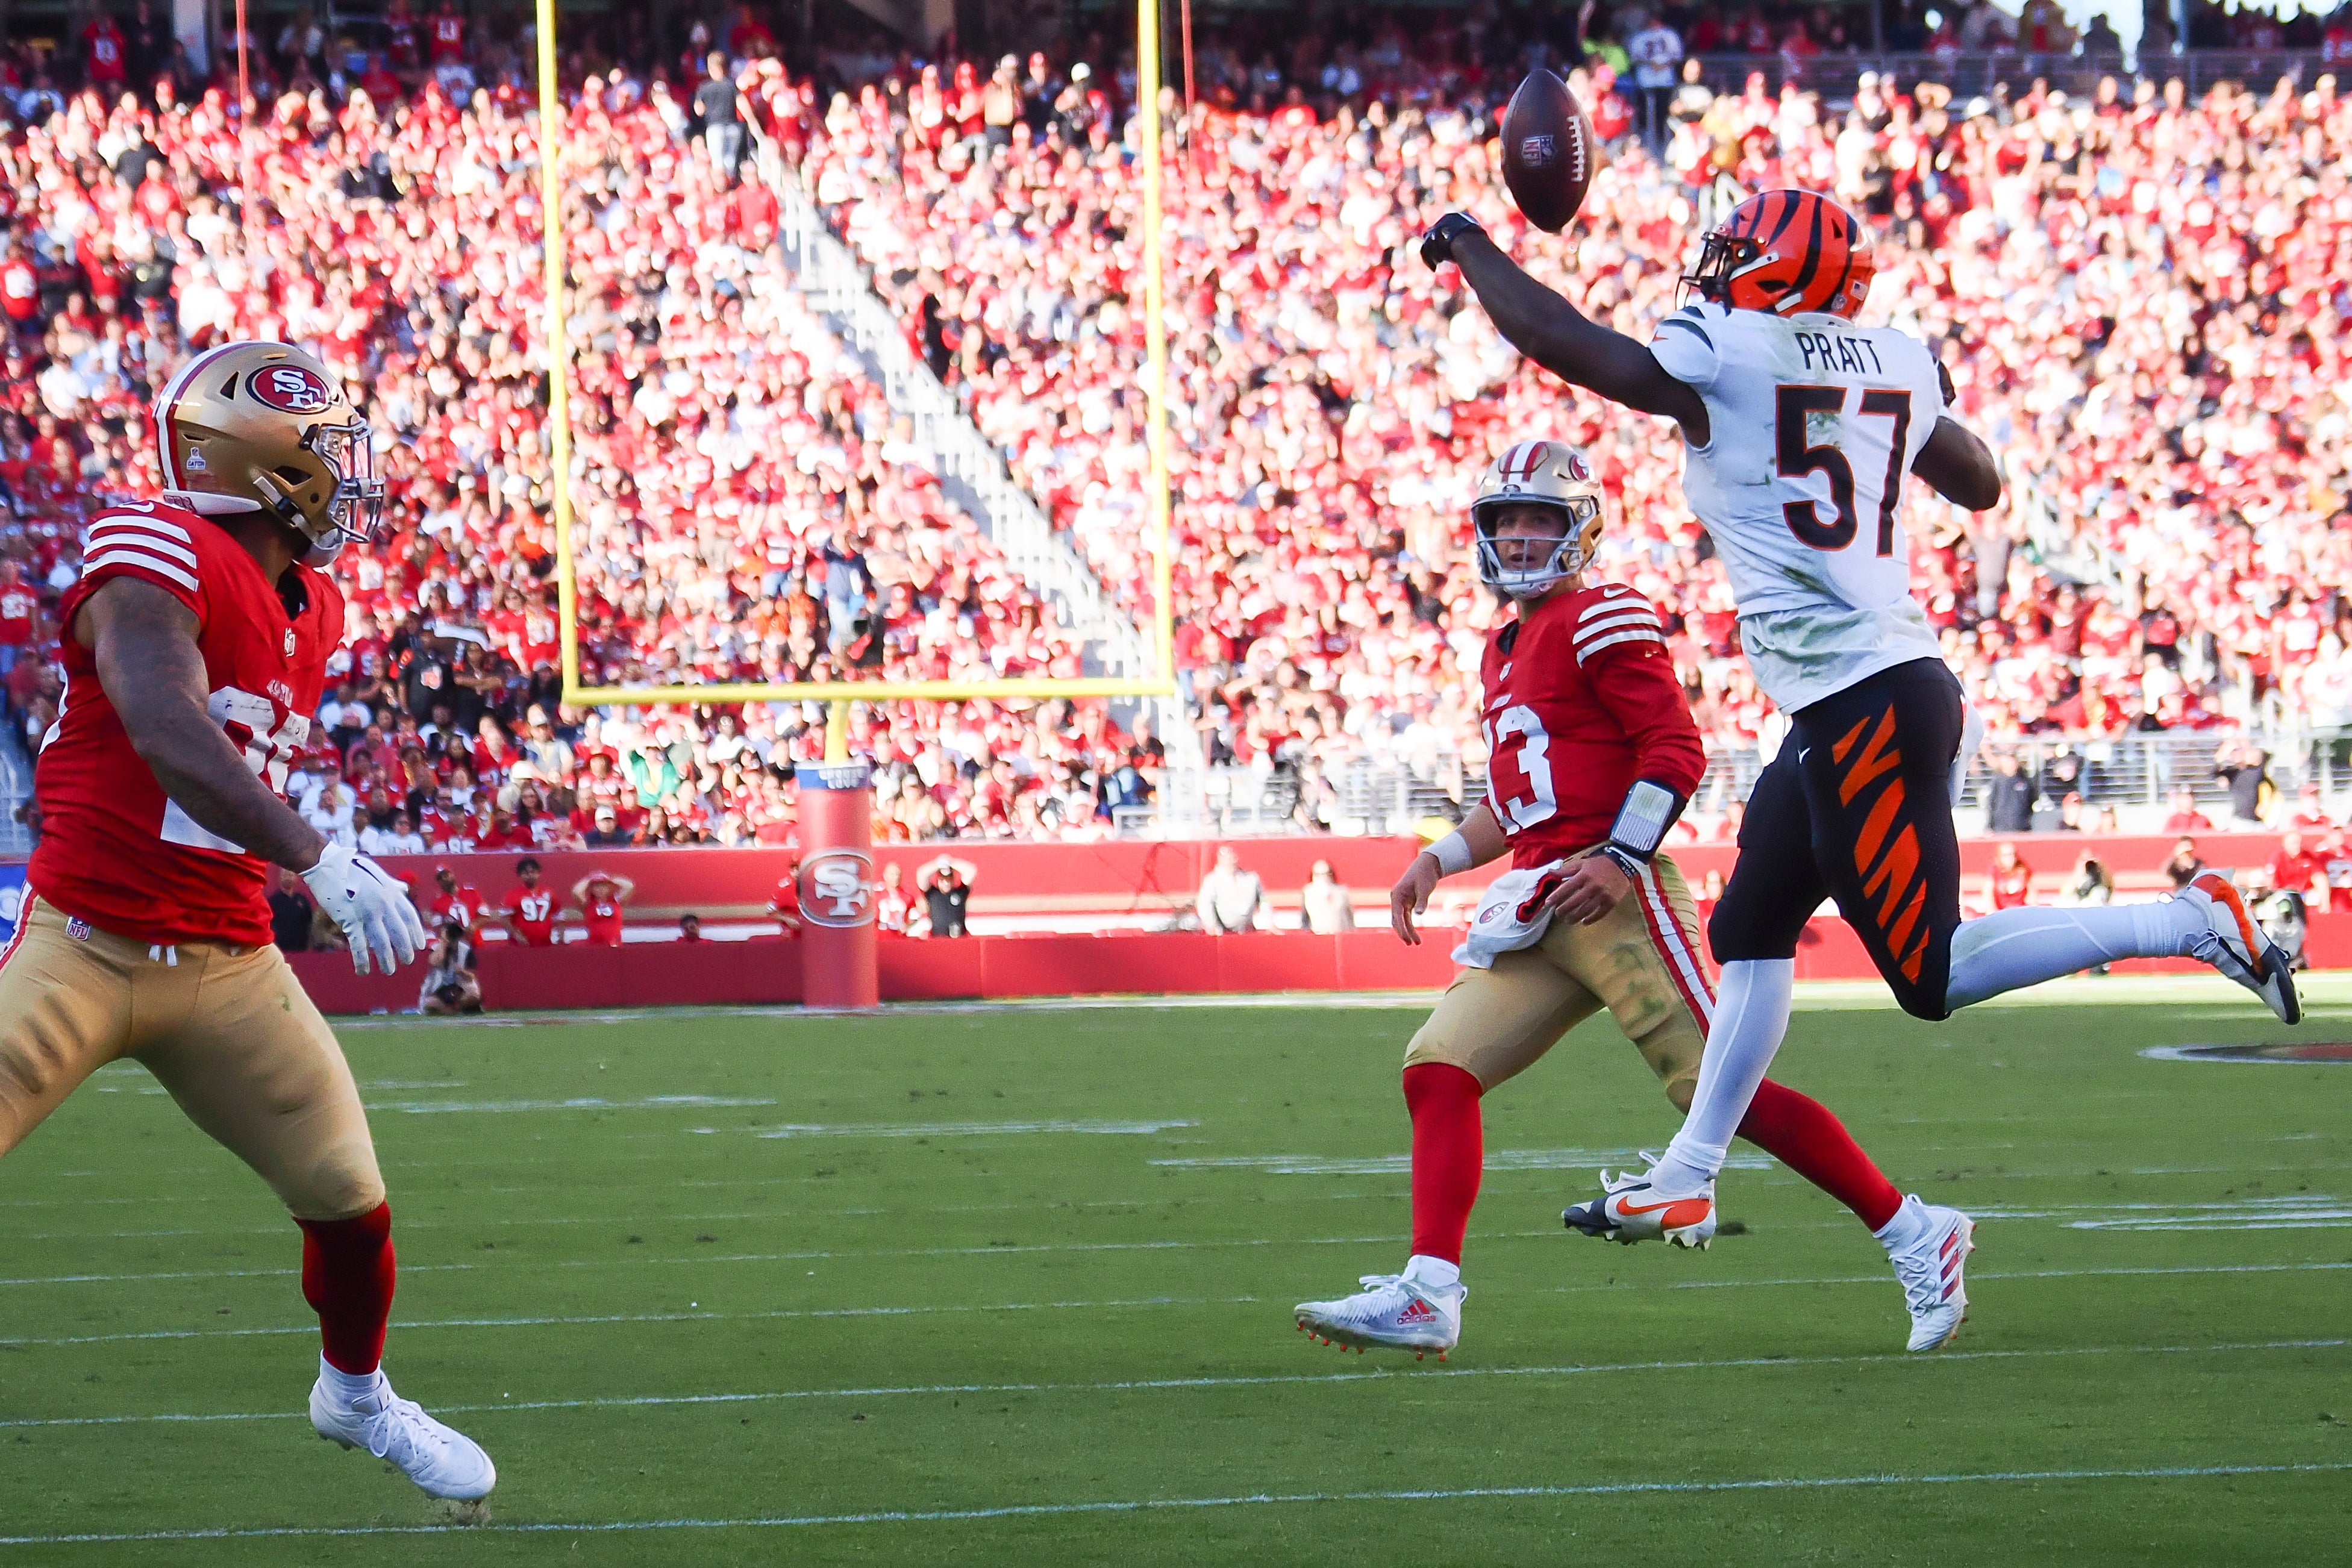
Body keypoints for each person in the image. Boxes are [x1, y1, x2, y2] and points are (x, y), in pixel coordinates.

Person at [1421, 190, 2297, 1344]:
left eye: (1739, 258)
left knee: (1930, 973)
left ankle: (2186, 917)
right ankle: (1692, 1169)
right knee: (1747, 932)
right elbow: (1978, 481)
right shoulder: (1890, 354)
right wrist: (1867, 410)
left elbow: (1567, 347)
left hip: (1866, 698)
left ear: (1780, 275)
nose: (1717, 272)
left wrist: (1467, 245)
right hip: (1853, 696)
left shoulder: (1727, 345)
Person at [1296, 438, 1944, 1358]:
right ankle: (1430, 1292)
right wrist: (1438, 857)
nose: (1520, 537)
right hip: (1538, 898)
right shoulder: (1505, 642)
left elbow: (1674, 748)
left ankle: (1913, 1228)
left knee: (1715, 1090)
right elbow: (1520, 796)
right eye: (1506, 519)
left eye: (1540, 519)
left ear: (1580, 528)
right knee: (1437, 1065)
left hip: (1617, 897)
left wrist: (1620, 854)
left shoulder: (1601, 614)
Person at [0, 341, 490, 1496]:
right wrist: (318, 856)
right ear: (263, 465)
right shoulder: (152, 548)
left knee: (351, 1206)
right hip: (85, 943)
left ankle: (356, 1398)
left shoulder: (313, 601)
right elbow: (170, 728)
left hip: (226, 961)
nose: (348, 476)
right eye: (325, 453)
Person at [1196, 845, 1264, 933]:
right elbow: (1204, 904)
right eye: (1226, 860)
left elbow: (1263, 900)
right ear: (1220, 861)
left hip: (1247, 931)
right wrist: (1210, 924)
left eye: (1232, 858)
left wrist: (1270, 922)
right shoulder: (1212, 880)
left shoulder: (1251, 878)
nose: (1230, 862)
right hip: (1223, 932)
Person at [418, 923, 480, 1015]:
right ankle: (449, 1012)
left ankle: (458, 1008)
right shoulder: (436, 947)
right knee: (430, 1003)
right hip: (439, 987)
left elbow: (472, 976)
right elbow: (434, 962)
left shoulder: (466, 949)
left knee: (474, 995)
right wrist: (444, 942)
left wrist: (462, 971)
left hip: (460, 986)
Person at [501, 855, 559, 946]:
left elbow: (558, 914)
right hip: (522, 944)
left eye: (533, 872)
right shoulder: (513, 894)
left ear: (539, 873)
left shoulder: (548, 892)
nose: (530, 876)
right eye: (526, 873)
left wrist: (561, 933)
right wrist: (516, 935)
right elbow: (505, 919)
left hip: (545, 943)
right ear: (520, 875)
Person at [919, 855, 975, 938]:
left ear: (952, 880)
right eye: (943, 879)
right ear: (938, 880)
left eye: (949, 879)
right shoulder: (932, 893)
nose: (946, 883)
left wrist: (951, 862)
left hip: (959, 939)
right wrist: (937, 864)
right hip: (937, 939)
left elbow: (971, 871)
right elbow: (921, 875)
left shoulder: (960, 892)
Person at [574, 870, 632, 946]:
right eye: (597, 886)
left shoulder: (615, 901)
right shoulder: (588, 904)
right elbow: (576, 891)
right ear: (591, 889)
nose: (600, 889)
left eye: (604, 886)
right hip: (594, 945)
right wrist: (589, 879)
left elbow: (629, 886)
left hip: (615, 945)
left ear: (608, 888)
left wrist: (610, 879)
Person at [269, 866, 317, 952]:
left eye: (291, 875)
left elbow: (310, 924)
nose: (289, 877)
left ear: (296, 878)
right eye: (286, 875)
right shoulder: (273, 901)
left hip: (302, 951)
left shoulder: (302, 900)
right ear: (280, 877)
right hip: (280, 951)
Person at [425, 864, 484, 931]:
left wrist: (474, 926)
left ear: (453, 874)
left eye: (446, 875)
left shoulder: (471, 893)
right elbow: (437, 927)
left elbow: (485, 916)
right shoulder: (437, 903)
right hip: (454, 941)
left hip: (474, 940)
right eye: (440, 878)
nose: (444, 879)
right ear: (439, 882)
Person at [1300, 860, 1355, 933]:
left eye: (1326, 874)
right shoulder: (1308, 892)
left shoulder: (1341, 892)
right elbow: (1305, 919)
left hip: (1339, 934)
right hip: (1318, 935)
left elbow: (1349, 916)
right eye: (1318, 874)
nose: (1322, 877)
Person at [1986, 841, 2033, 910]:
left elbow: (2032, 897)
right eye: (2005, 855)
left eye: (2012, 855)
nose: (2010, 859)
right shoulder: (1994, 872)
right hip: (2001, 913)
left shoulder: (2024, 872)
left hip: (2020, 912)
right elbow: (1988, 896)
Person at [874, 861, 912, 936]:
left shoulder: (907, 898)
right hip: (879, 938)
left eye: (898, 875)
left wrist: (907, 927)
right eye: (892, 875)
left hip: (899, 939)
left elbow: (911, 920)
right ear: (885, 876)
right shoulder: (876, 896)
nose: (896, 877)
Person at [768, 857, 802, 936]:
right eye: (792, 868)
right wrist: (787, 919)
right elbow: (771, 911)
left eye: (799, 868)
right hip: (791, 935)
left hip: (812, 934)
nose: (795, 872)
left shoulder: (814, 885)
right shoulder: (784, 888)